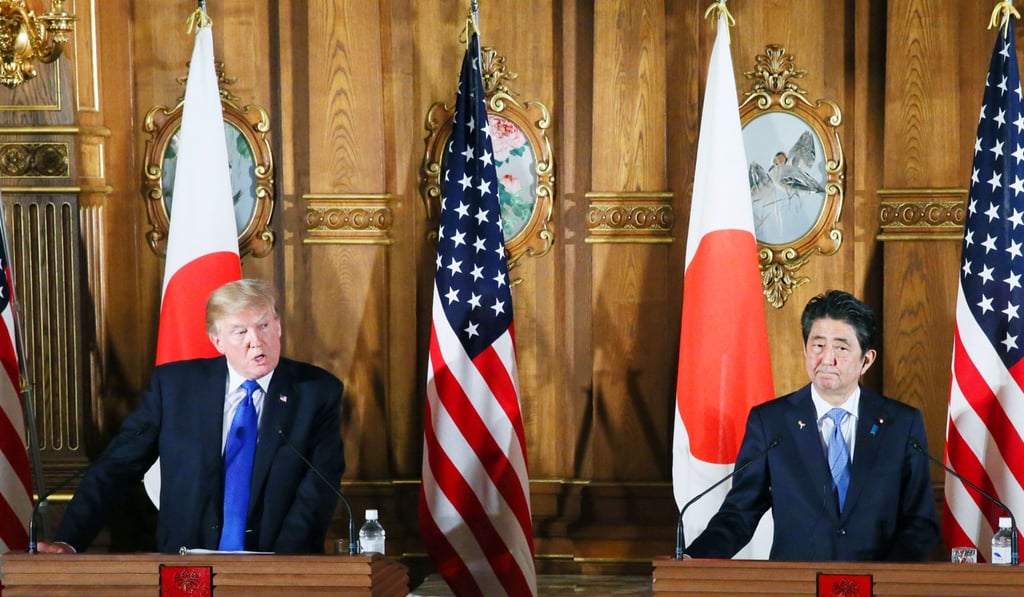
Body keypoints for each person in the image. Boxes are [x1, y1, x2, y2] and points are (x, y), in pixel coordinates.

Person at [37, 278, 345, 554]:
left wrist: (278, 566)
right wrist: (69, 540)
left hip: (281, 568)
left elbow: (319, 488)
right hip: (186, 565)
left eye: (263, 326)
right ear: (218, 341)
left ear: (277, 326)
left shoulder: (316, 392)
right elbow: (117, 467)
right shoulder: (175, 388)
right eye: (240, 332)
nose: (256, 341)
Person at [685, 290, 939, 561]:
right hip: (796, 585)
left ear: (867, 360)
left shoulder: (900, 424)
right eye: (818, 346)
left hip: (877, 585)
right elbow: (739, 513)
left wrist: (884, 580)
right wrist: (695, 558)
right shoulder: (771, 423)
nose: (827, 359)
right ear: (806, 350)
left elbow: (920, 521)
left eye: (841, 348)